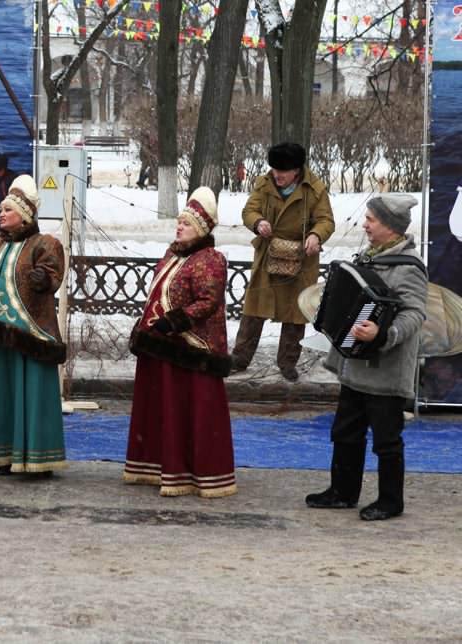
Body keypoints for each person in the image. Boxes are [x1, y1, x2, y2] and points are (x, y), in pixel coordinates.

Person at [306, 194, 427, 521]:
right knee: (345, 431)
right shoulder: (368, 257)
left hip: (386, 370)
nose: (365, 225)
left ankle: (391, 501)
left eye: (371, 219)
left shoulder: (410, 268)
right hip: (356, 365)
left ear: (390, 226)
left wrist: (384, 334)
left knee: (387, 439)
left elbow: (415, 315)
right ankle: (342, 492)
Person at [123, 188, 236, 498]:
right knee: (164, 409)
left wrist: (175, 321)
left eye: (186, 223)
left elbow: (209, 301)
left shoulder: (210, 259)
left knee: (190, 410)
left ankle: (194, 472)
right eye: (179, 222)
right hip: (162, 345)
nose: (179, 227)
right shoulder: (172, 254)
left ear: (200, 228)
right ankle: (159, 465)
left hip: (192, 348)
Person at [0, 175, 67, 475]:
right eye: (1, 209)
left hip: (30, 333)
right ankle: (3, 451)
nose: (1, 213)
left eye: (8, 209)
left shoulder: (44, 243)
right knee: (2, 393)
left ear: (25, 214)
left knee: (29, 392)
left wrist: (44, 278)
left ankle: (36, 455)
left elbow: (53, 274)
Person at [231, 142, 335, 381]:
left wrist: (316, 235)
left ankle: (288, 363)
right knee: (254, 309)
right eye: (275, 169)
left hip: (302, 258)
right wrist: (258, 223)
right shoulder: (264, 184)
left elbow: (326, 220)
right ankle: (239, 358)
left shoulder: (315, 189)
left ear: (297, 170)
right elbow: (249, 211)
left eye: (283, 171)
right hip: (268, 254)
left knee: (295, 312)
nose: (277, 175)